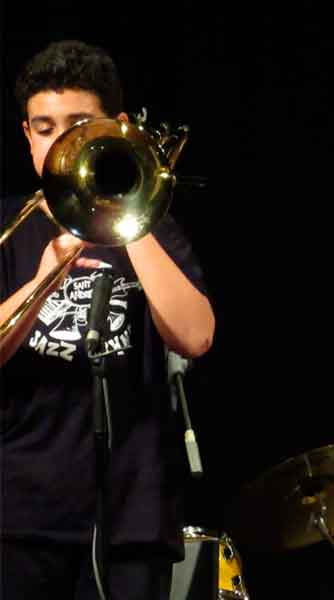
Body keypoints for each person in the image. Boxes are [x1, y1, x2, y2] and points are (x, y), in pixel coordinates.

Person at [0, 40, 215, 599]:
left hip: (131, 515)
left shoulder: (157, 232)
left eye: (79, 123)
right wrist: (45, 276)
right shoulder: (8, 226)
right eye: (44, 127)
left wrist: (129, 218)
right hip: (19, 515)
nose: (59, 142)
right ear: (27, 135)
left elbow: (195, 336)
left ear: (117, 127)